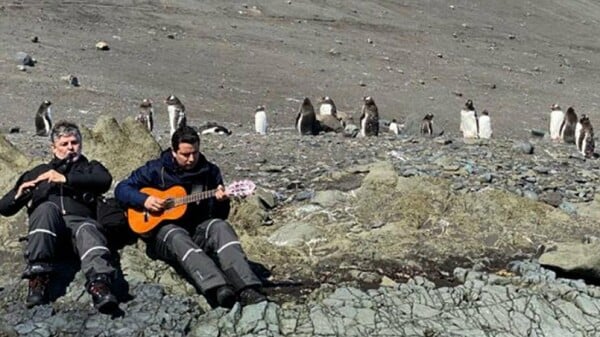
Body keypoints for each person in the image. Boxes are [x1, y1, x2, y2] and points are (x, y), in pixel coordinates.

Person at [114, 126, 266, 308]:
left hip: (196, 230)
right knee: (175, 234)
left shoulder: (209, 171)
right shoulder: (156, 170)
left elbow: (219, 216)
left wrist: (221, 201)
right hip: (163, 236)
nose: (191, 159)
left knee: (220, 227)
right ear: (173, 151)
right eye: (185, 154)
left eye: (195, 153)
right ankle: (218, 288)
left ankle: (247, 287)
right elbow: (122, 189)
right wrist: (144, 200)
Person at [0, 121, 118, 313]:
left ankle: (100, 286)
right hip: (48, 233)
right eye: (64, 144)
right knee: (46, 208)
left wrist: (66, 179)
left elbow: (104, 181)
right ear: (53, 148)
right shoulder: (38, 172)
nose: (70, 148)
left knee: (88, 228)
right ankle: (38, 280)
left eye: (74, 142)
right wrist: (19, 194)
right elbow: (4, 209)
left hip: (80, 230)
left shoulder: (90, 168)